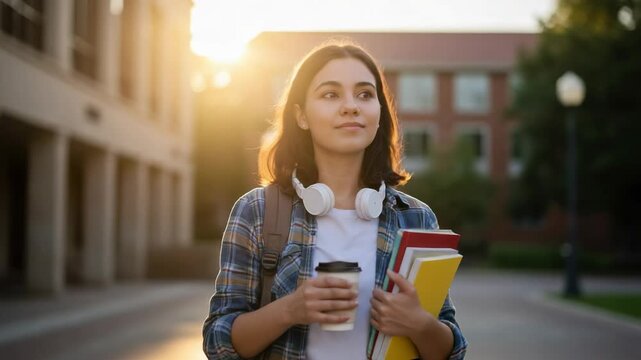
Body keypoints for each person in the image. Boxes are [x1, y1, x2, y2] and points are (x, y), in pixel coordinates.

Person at [203, 40, 467, 360]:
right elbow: (218, 342)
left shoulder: (415, 217)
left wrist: (419, 325)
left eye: (365, 94)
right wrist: (290, 309)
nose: (351, 106)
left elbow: (451, 350)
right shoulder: (257, 211)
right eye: (331, 94)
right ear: (301, 116)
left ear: (379, 114)